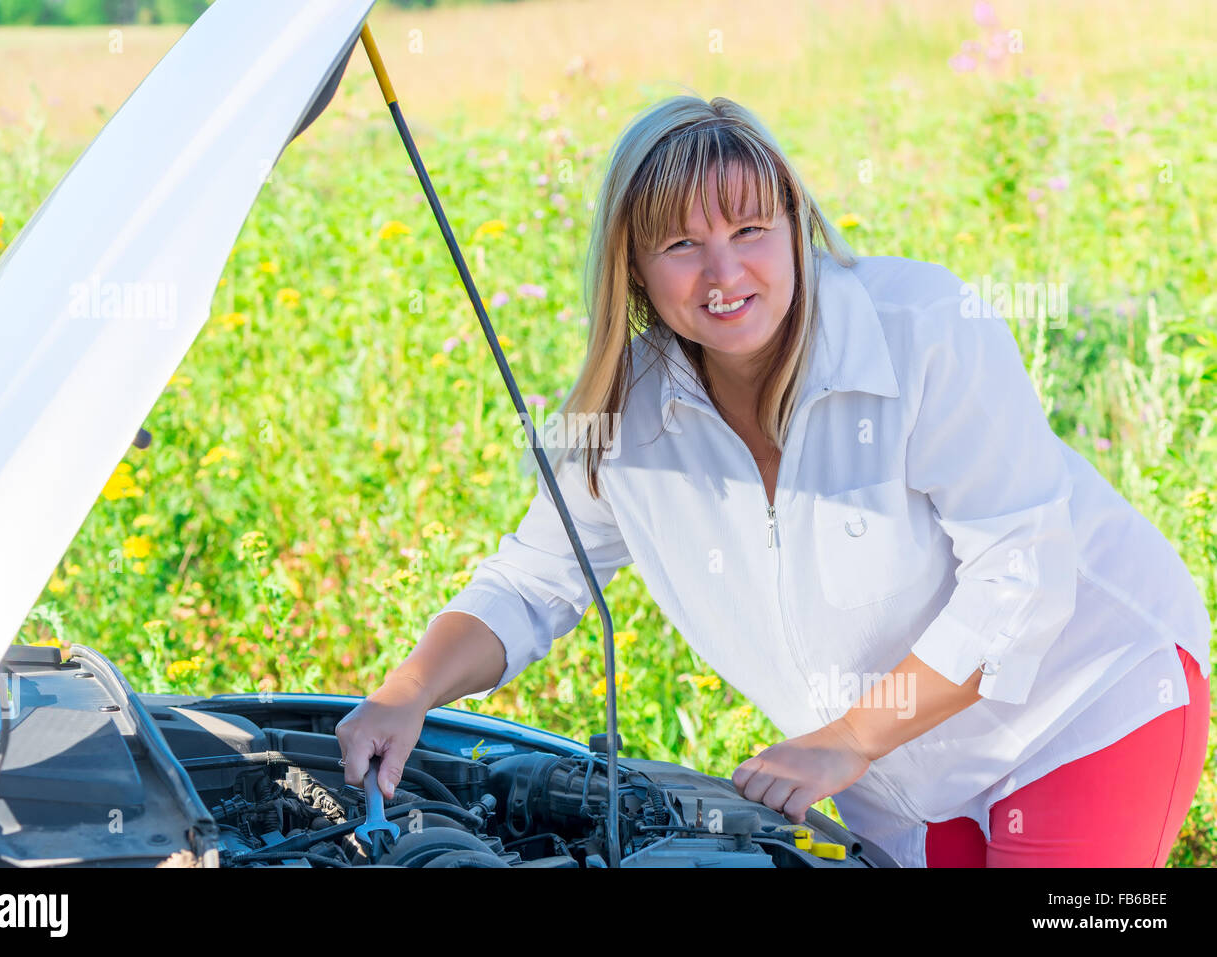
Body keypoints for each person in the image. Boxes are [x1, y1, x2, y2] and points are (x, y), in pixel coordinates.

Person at [336, 94, 1212, 867]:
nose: (725, 274)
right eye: (682, 244)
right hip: (892, 782)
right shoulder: (624, 416)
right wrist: (407, 691)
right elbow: (533, 582)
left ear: (794, 222)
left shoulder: (924, 330)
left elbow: (1020, 576)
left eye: (749, 230)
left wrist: (847, 739)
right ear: (633, 269)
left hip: (1081, 708)